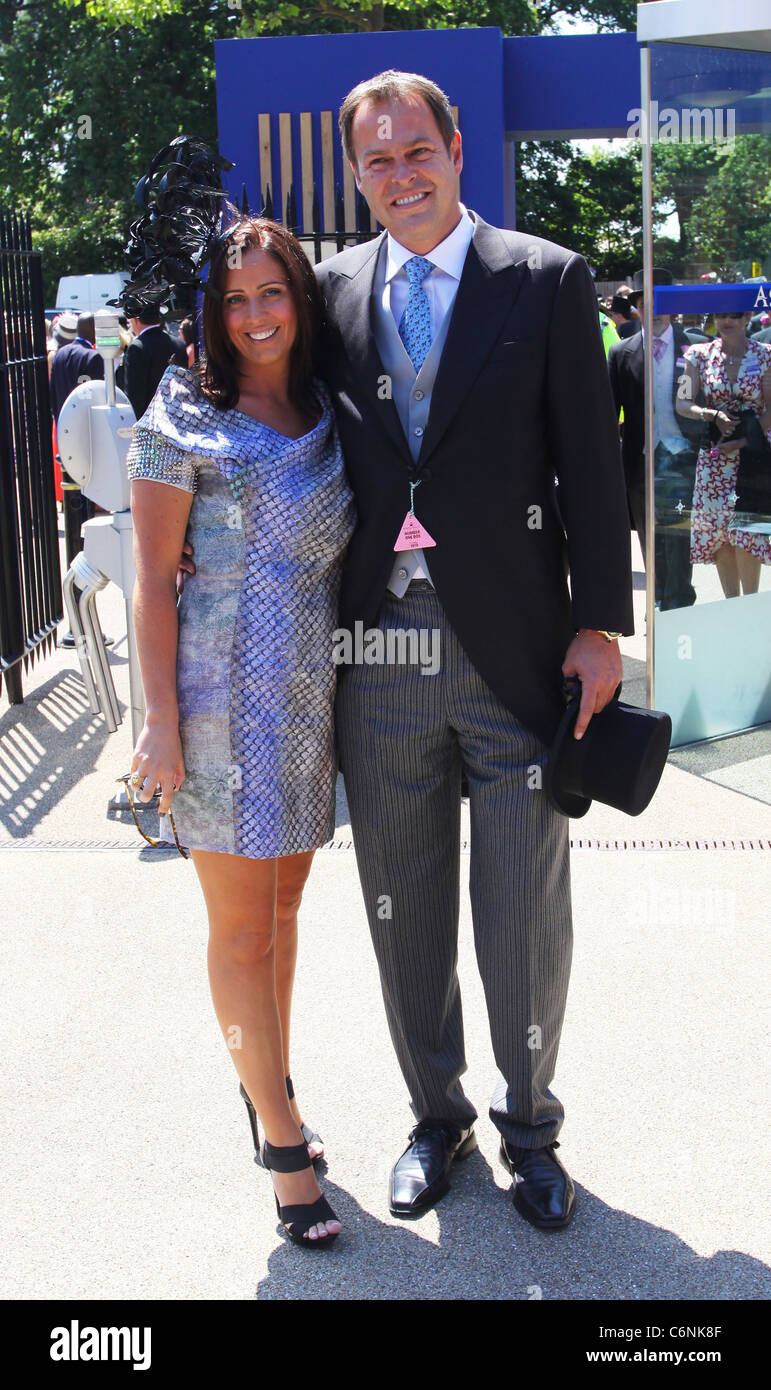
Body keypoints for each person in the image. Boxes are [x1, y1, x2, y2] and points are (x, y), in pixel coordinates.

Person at [316, 70, 633, 1230]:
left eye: (417, 152)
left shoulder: (543, 279)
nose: (400, 176)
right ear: (358, 175)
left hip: (516, 652)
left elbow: (591, 471)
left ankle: (532, 1123)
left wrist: (600, 627)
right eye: (378, 161)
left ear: (457, 150)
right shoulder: (333, 288)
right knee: (402, 904)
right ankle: (435, 1114)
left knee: (522, 915)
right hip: (380, 651)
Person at [126, 214, 355, 1248]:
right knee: (242, 928)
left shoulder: (327, 404)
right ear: (210, 314)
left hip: (310, 693)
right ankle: (280, 1134)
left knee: (288, 904)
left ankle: (271, 1078)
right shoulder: (180, 414)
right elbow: (152, 586)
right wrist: (160, 727)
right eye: (236, 299)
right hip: (218, 698)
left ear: (300, 299)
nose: (257, 316)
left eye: (273, 292)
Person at [608, 270, 703, 609]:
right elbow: (609, 413)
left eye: (663, 303)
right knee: (649, 538)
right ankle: (658, 603)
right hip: (641, 461)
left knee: (680, 536)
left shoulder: (696, 348)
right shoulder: (621, 353)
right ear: (637, 308)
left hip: (682, 457)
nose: (656, 310)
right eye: (648, 304)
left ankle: (681, 604)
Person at [676, 310, 771, 595]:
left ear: (747, 319)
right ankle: (730, 607)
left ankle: (749, 606)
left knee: (747, 534)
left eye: (735, 314)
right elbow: (683, 403)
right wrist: (711, 414)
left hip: (752, 456)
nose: (727, 320)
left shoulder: (766, 354)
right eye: (721, 314)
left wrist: (743, 442)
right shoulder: (698, 354)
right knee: (720, 537)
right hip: (715, 460)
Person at [122, 300, 187, 419]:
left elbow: (134, 396)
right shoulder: (179, 345)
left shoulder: (137, 347)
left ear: (135, 320)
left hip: (151, 422)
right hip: (178, 419)